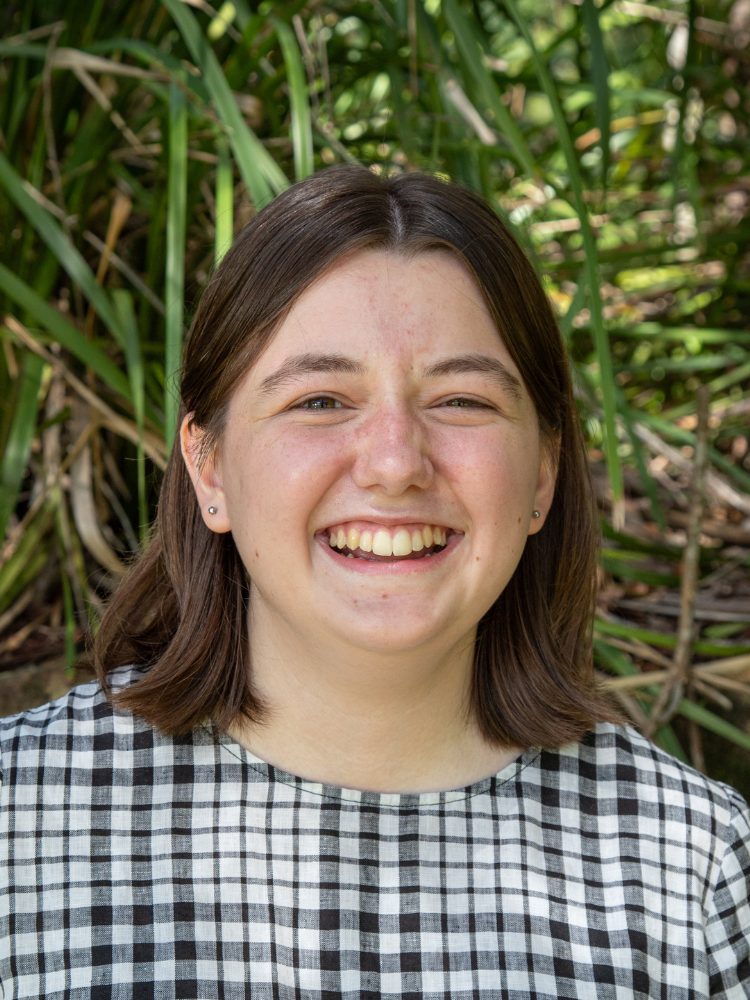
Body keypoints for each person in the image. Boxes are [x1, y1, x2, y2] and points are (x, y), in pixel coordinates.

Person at [1, 167, 748, 999]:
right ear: (208, 466)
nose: (395, 462)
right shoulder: (18, 821)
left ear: (543, 470)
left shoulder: (690, 868)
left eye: (461, 400)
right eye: (321, 401)